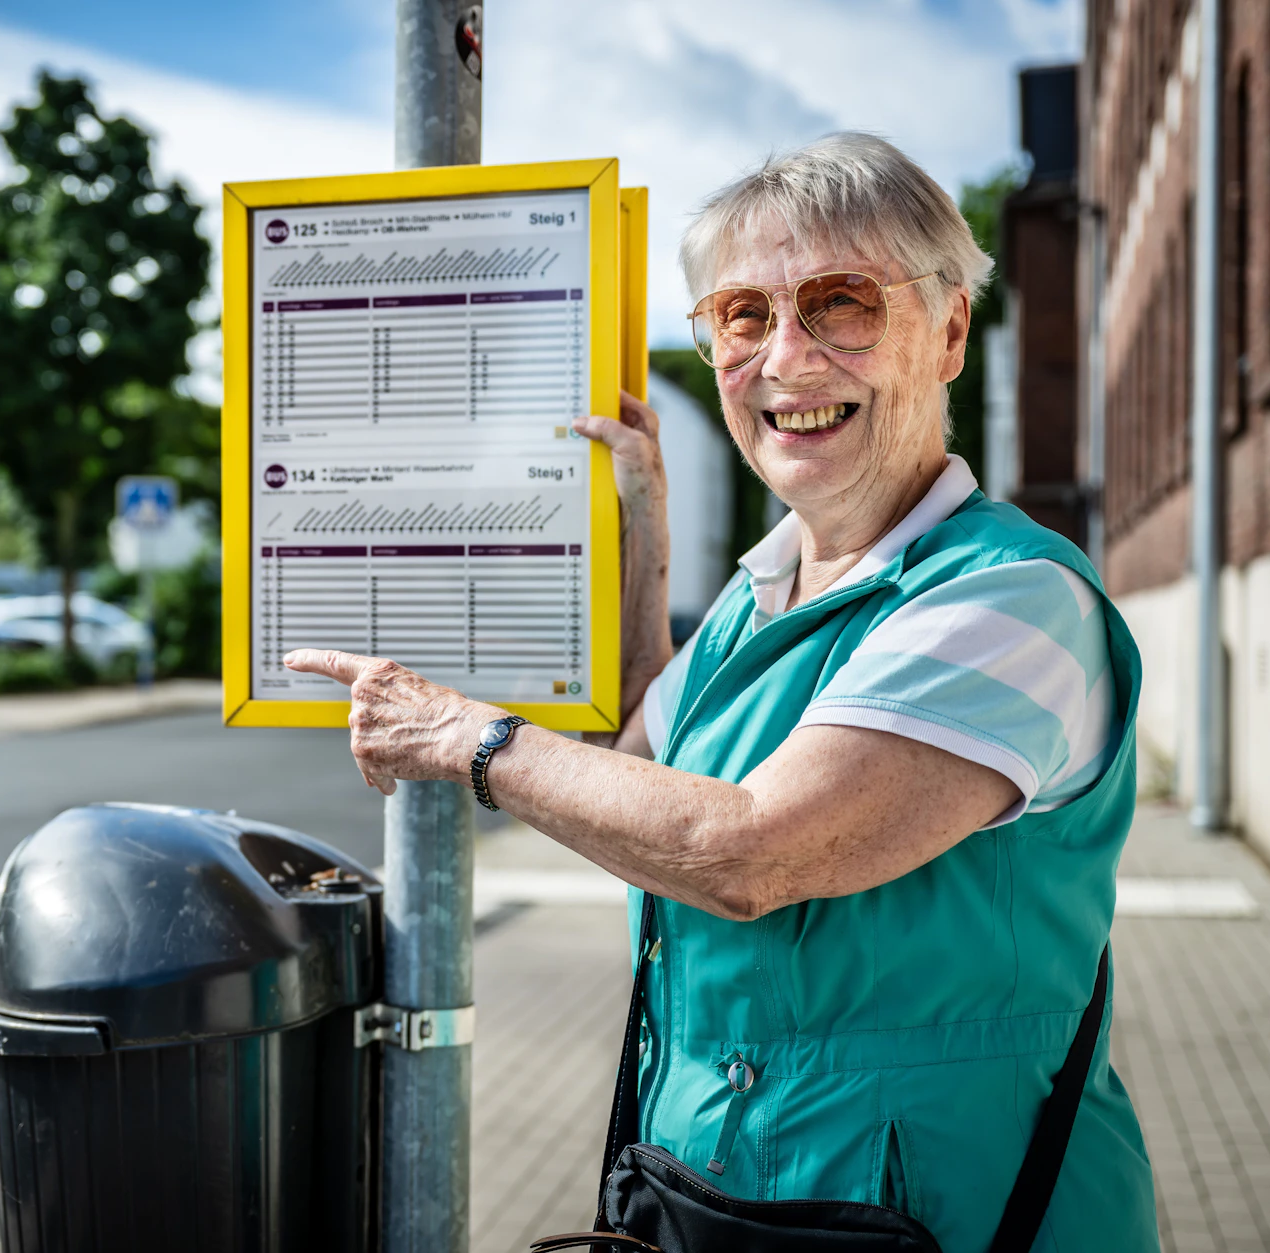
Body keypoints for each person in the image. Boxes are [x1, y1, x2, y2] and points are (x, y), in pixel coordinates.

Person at [285, 132, 1157, 1251]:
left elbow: (753, 852)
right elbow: (641, 750)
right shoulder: (761, 590)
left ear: (945, 332)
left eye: (838, 302)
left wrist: (462, 732)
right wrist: (645, 519)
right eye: (742, 316)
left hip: (943, 1211)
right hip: (725, 1196)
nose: (784, 359)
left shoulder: (1011, 597)